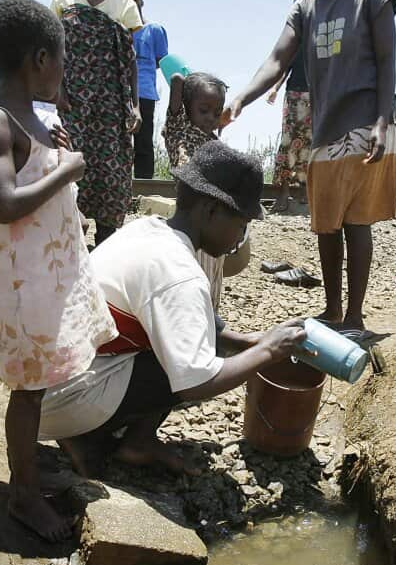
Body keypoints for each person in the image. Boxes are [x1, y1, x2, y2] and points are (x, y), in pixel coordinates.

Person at [38, 141, 308, 475]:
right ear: (211, 211)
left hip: (43, 383)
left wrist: (249, 341)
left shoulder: (147, 229)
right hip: (59, 400)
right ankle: (88, 432)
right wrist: (267, 351)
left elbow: (199, 320)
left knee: (199, 335)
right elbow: (196, 382)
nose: (240, 238)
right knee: (201, 356)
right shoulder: (180, 274)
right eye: (241, 225)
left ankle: (131, 440)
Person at [0, 0, 118, 543]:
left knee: (38, 383)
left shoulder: (40, 119)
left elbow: (41, 169)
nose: (64, 70)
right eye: (61, 59)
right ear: (38, 59)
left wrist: (61, 155)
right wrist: (72, 167)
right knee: (28, 391)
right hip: (23, 282)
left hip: (50, 275)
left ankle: (29, 478)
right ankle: (23, 496)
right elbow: (7, 201)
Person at [228, 0, 396, 337]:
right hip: (324, 123)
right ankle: (333, 310)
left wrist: (382, 121)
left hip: (366, 118)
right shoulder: (305, 5)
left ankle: (355, 316)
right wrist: (243, 98)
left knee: (355, 220)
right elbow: (277, 58)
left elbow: (387, 61)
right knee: (326, 221)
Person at [51, 0, 143, 246]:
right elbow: (51, 43)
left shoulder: (125, 2)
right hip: (72, 98)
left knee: (110, 171)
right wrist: (57, 88)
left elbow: (131, 59)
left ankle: (105, 243)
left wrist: (135, 105)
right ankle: (70, 238)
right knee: (66, 159)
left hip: (110, 101)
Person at [163, 71, 242, 310]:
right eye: (203, 110)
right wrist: (184, 84)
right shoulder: (178, 129)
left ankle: (211, 324)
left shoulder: (216, 144)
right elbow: (176, 79)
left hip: (214, 222)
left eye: (217, 113)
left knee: (211, 275)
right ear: (186, 108)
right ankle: (194, 320)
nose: (211, 118)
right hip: (191, 221)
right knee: (190, 275)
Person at [125, 0, 168, 180]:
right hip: (120, 93)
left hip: (145, 93)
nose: (132, 3)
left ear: (141, 2)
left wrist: (143, 68)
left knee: (143, 142)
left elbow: (161, 60)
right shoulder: (119, 29)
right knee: (121, 141)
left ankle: (144, 184)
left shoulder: (154, 30)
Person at [267, 30, 312, 214]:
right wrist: (274, 89)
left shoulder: (321, 40)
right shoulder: (294, 44)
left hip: (314, 98)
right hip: (293, 95)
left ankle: (305, 190)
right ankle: (284, 192)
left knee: (309, 143)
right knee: (288, 142)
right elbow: (284, 69)